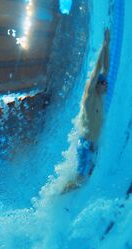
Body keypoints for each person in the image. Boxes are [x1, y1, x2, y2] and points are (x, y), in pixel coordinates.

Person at [63, 30, 110, 192]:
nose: (107, 87)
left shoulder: (100, 97)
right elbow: (97, 71)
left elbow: (106, 69)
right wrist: (103, 46)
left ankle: (68, 199)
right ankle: (56, 197)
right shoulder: (90, 96)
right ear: (97, 84)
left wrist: (107, 46)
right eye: (104, 84)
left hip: (93, 145)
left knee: (86, 178)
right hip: (85, 144)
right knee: (80, 178)